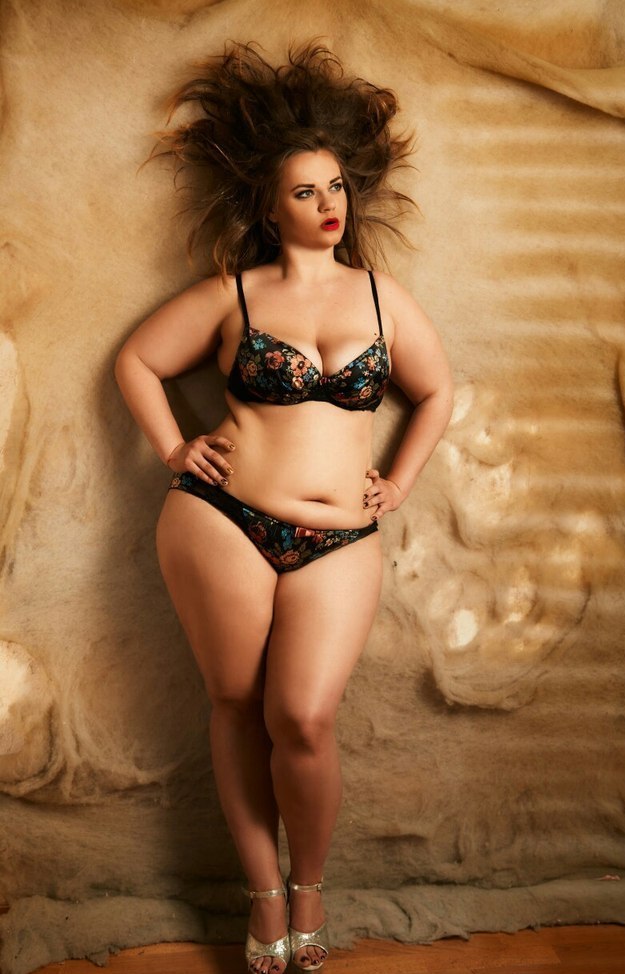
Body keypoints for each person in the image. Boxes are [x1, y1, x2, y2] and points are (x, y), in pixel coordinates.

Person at [115, 41, 454, 974]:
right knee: (235, 703)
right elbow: (137, 360)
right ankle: (263, 896)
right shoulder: (235, 294)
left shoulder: (383, 299)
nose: (326, 203)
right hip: (221, 520)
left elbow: (436, 391)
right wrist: (174, 447)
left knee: (301, 717)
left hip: (339, 539)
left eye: (334, 186)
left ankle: (311, 886)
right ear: (270, 209)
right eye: (304, 192)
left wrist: (401, 480)